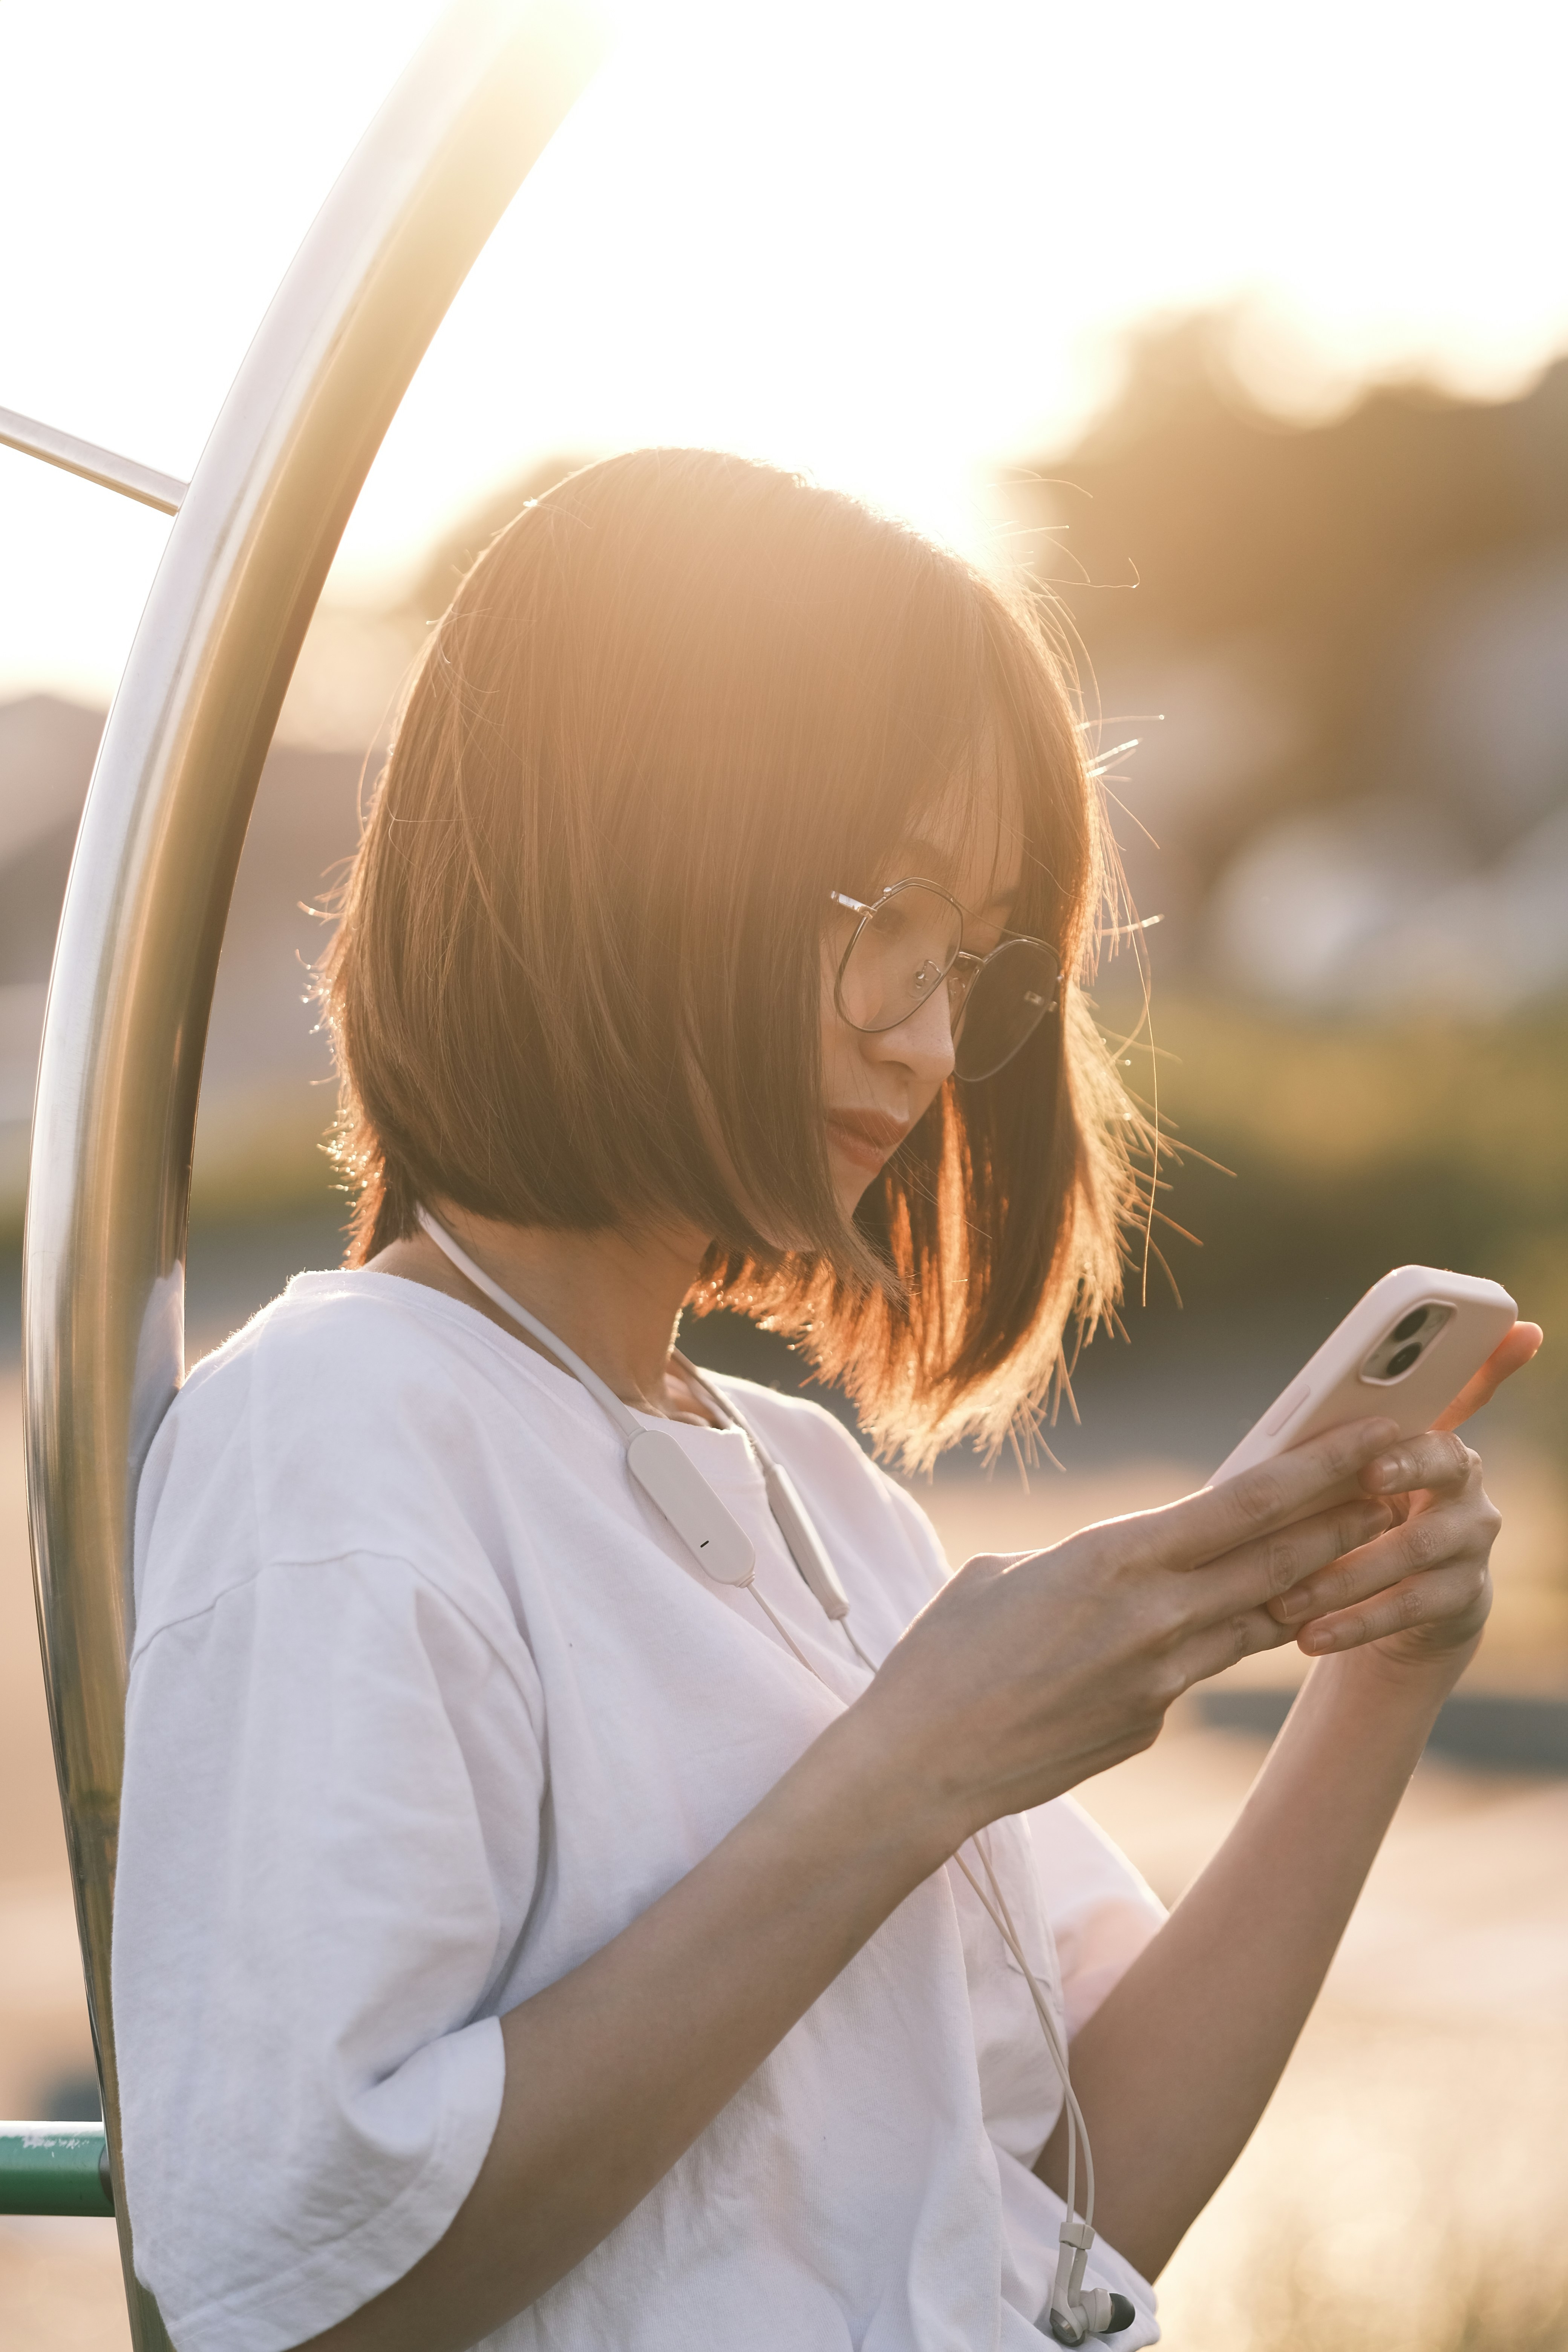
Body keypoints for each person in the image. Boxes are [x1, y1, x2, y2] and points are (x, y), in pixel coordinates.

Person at [112, 449, 1537, 2352]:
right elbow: (297, 2285)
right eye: (881, 911)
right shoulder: (340, 1434)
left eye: (969, 964)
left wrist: (1373, 1686)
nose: (929, 1040)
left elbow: (1070, 2198)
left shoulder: (804, 1485)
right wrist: (912, 1768)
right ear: (617, 840)